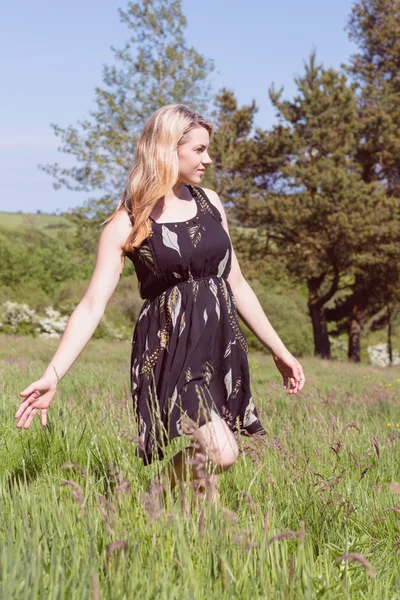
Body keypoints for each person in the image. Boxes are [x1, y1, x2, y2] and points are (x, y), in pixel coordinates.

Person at [15, 104, 305, 504]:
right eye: (199, 150)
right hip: (169, 349)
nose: (209, 159)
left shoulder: (211, 204)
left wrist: (280, 350)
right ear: (169, 149)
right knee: (221, 451)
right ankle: (143, 496)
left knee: (207, 472)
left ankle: (200, 547)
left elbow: (235, 282)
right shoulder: (128, 220)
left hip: (218, 343)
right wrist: (53, 374)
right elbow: (91, 306)